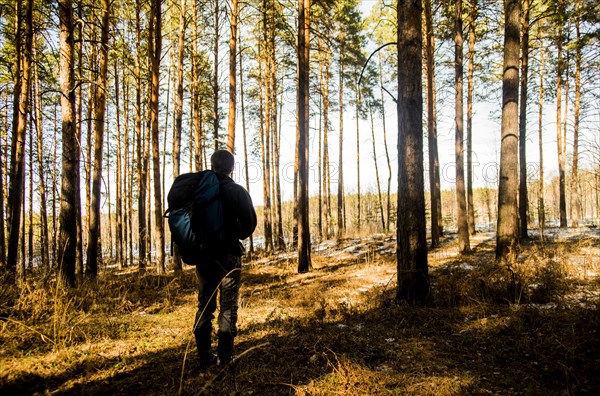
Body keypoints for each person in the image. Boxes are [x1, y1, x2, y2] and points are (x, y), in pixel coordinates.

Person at [193, 149, 257, 370]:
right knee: (228, 306)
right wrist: (233, 233)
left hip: (203, 256)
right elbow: (249, 224)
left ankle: (204, 357)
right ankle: (226, 357)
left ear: (212, 166)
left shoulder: (197, 191)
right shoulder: (236, 190)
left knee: (205, 304)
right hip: (229, 255)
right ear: (232, 168)